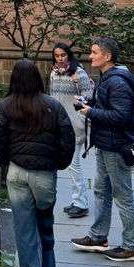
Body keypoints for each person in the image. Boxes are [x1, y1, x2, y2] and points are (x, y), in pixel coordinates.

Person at [0, 59, 75, 267]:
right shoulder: (52, 105)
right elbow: (66, 139)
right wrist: (59, 163)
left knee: (24, 226)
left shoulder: (5, 106)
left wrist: (9, 159)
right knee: (44, 223)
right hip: (44, 173)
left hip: (17, 172)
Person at [71, 37, 134, 262]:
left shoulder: (118, 82)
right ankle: (98, 236)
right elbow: (106, 106)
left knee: (123, 195)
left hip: (115, 145)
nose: (90, 56)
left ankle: (132, 246)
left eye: (94, 52)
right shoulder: (107, 78)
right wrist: (87, 102)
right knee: (101, 191)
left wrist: (89, 112)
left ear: (107, 56)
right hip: (104, 143)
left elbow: (121, 117)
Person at [49, 42, 93, 218]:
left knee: (73, 164)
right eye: (57, 56)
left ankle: (81, 203)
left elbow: (89, 94)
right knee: (67, 164)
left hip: (75, 125)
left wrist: (80, 112)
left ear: (68, 55)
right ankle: (77, 200)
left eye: (63, 55)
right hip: (59, 124)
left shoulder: (78, 72)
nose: (60, 59)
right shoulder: (53, 72)